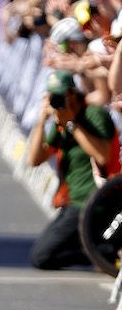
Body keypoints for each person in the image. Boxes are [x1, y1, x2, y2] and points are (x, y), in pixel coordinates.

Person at [27, 70, 118, 270]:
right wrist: (42, 121)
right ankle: (100, 249)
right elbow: (34, 160)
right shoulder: (60, 120)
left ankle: (103, 253)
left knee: (41, 257)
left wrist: (72, 124)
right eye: (54, 97)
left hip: (93, 200)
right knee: (40, 254)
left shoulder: (93, 114)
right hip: (72, 202)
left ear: (73, 93)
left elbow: (102, 155)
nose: (59, 101)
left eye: (62, 96)